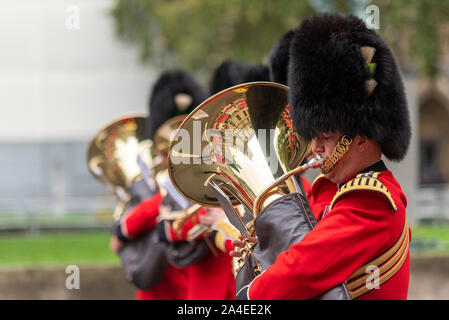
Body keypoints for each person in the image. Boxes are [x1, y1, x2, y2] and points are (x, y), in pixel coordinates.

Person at [234, 13, 411, 300]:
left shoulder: (372, 201)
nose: (314, 147)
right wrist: (263, 246)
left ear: (361, 138)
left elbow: (304, 267)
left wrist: (252, 295)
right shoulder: (328, 193)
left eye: (326, 137)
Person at [110, 70, 235, 300]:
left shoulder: (213, 169)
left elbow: (206, 212)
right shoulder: (152, 172)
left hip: (206, 276)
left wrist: (131, 225)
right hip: (163, 282)